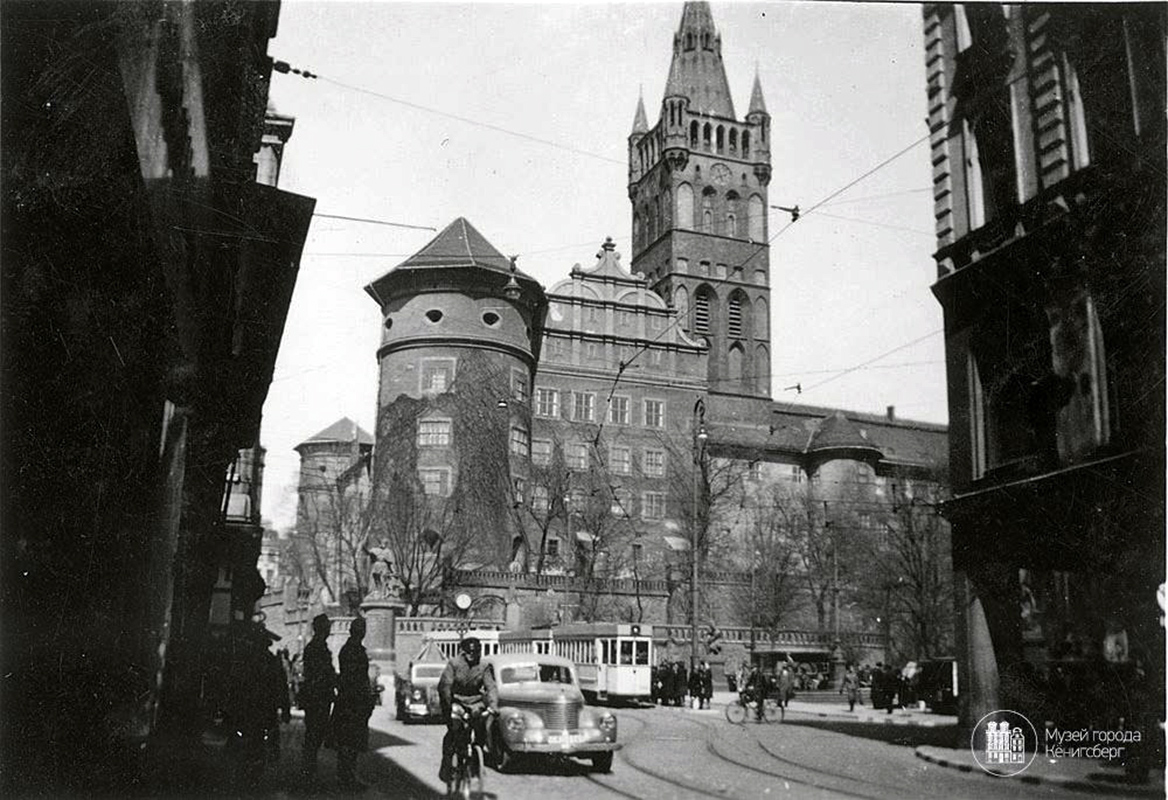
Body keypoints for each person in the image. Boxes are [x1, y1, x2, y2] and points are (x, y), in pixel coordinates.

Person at [438, 637, 499, 791]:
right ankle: (446, 764)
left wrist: (493, 705)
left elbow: (491, 687)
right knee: (454, 731)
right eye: (470, 653)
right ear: (463, 653)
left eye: (476, 652)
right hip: (456, 700)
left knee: (481, 725)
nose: (473, 656)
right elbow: (445, 686)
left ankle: (477, 759)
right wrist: (448, 707)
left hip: (475, 702)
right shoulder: (454, 664)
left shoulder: (484, 666)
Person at [331, 617, 377, 789]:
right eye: (361, 628)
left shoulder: (350, 649)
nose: (363, 631)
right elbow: (355, 678)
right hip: (353, 701)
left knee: (349, 739)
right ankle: (347, 777)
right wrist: (365, 696)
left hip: (350, 699)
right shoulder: (354, 650)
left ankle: (346, 775)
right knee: (350, 739)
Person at [300, 614, 336, 778]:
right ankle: (308, 773)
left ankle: (309, 771)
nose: (329, 629)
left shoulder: (316, 646)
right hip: (317, 697)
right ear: (321, 628)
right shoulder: (316, 648)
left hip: (318, 696)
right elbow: (321, 673)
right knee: (314, 734)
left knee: (315, 734)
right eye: (327, 626)